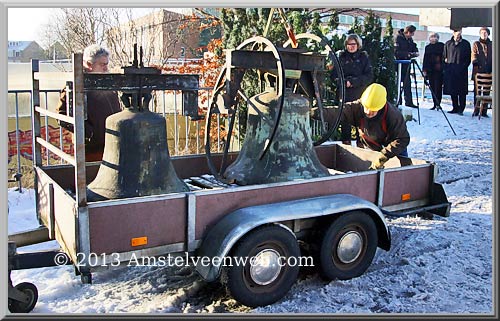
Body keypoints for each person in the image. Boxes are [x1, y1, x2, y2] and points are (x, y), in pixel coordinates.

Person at [313, 83, 410, 170]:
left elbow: (402, 139)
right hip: (373, 144)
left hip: (394, 145)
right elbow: (338, 112)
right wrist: (314, 112)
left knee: (402, 172)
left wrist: (383, 156)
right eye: (366, 108)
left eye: (372, 110)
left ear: (381, 107)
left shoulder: (393, 116)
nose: (368, 112)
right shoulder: (357, 107)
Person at [56, 44, 121, 162]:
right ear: (89, 64)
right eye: (102, 65)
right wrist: (88, 133)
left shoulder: (106, 83)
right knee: (91, 177)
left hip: (111, 143)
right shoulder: (75, 86)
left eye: (107, 64)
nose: (106, 68)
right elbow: (62, 115)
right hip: (90, 149)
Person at [336, 34, 373, 145]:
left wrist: (354, 82)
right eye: (348, 44)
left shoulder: (363, 58)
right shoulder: (341, 57)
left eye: (353, 44)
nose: (350, 46)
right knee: (345, 119)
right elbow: (334, 75)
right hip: (345, 93)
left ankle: (360, 142)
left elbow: (369, 76)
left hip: (359, 93)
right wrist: (343, 82)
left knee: (360, 119)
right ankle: (346, 143)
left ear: (358, 45)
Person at [443, 28, 471, 116]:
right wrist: (446, 66)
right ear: (453, 33)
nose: (458, 33)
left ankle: (461, 108)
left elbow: (468, 58)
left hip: (461, 71)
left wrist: (463, 67)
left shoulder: (465, 44)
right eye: (456, 32)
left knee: (461, 91)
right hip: (451, 70)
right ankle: (455, 107)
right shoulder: (448, 43)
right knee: (453, 90)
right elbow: (444, 56)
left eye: (459, 31)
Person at [394, 25, 419, 108]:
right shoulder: (398, 39)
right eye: (412, 33)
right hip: (399, 65)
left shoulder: (409, 40)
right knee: (397, 84)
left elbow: (414, 48)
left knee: (407, 84)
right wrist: (408, 54)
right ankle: (398, 101)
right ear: (408, 32)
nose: (412, 35)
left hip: (407, 65)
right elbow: (396, 52)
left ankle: (409, 102)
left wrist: (415, 52)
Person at [471, 27, 492, 117]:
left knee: (486, 92)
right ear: (480, 34)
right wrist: (475, 62)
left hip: (489, 71)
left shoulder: (492, 44)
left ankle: (484, 111)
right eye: (482, 33)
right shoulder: (476, 44)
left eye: (485, 33)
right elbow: (474, 54)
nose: (484, 34)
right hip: (478, 72)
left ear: (488, 34)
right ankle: (476, 110)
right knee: (477, 92)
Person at [422, 32, 445, 110]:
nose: (433, 38)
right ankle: (435, 103)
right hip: (430, 70)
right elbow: (425, 59)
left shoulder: (441, 46)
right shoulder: (427, 47)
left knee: (438, 87)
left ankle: (438, 103)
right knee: (432, 87)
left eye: (435, 37)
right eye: (432, 37)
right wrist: (424, 70)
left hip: (438, 70)